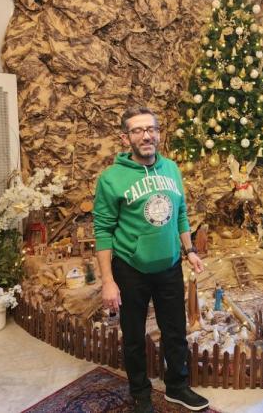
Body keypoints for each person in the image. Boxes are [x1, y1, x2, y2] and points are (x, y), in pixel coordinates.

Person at [93, 106, 209, 413]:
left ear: (158, 134)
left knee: (176, 331)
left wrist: (190, 251)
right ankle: (140, 393)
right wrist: (108, 281)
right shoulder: (111, 179)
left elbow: (180, 214)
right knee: (133, 336)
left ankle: (177, 387)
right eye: (138, 130)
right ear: (125, 138)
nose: (147, 136)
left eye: (152, 129)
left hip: (169, 265)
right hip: (131, 268)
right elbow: (103, 231)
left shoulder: (171, 169)